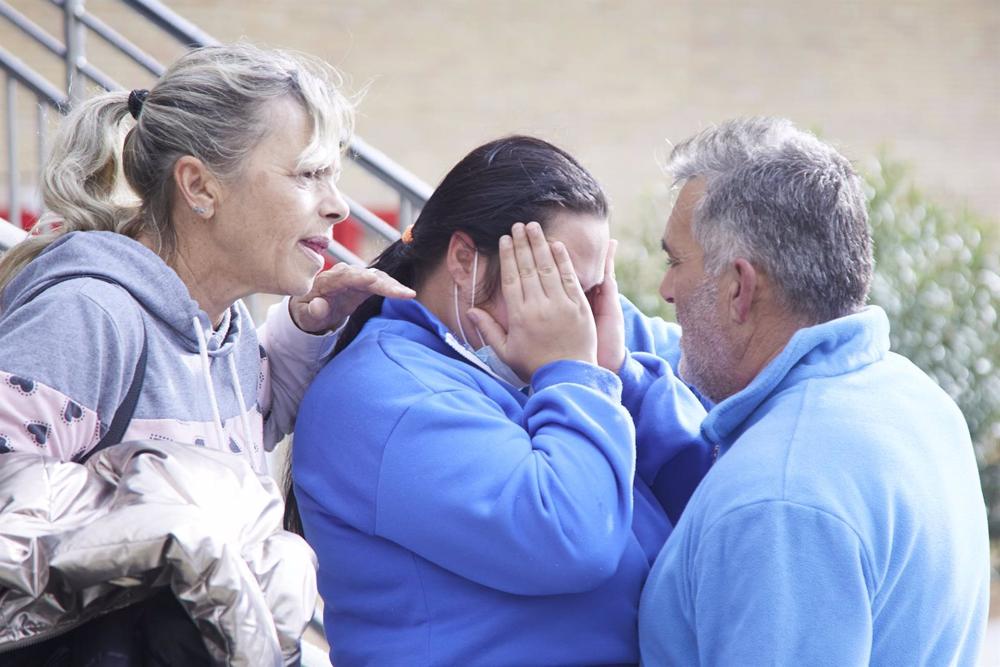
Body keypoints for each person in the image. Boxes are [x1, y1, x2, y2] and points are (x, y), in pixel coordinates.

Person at [0, 44, 412, 663]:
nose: (337, 204)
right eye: (306, 174)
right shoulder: (88, 316)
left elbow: (222, 435)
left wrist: (305, 330)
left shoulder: (228, 330)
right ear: (198, 186)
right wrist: (173, 533)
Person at [292, 136, 713, 665]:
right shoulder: (382, 398)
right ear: (465, 260)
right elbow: (571, 538)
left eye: (589, 293)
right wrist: (578, 377)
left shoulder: (557, 341)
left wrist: (620, 373)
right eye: (554, 286)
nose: (576, 316)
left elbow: (719, 447)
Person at [637, 117, 991, 665]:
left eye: (674, 262)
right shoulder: (913, 397)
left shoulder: (777, 501)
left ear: (738, 287)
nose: (665, 291)